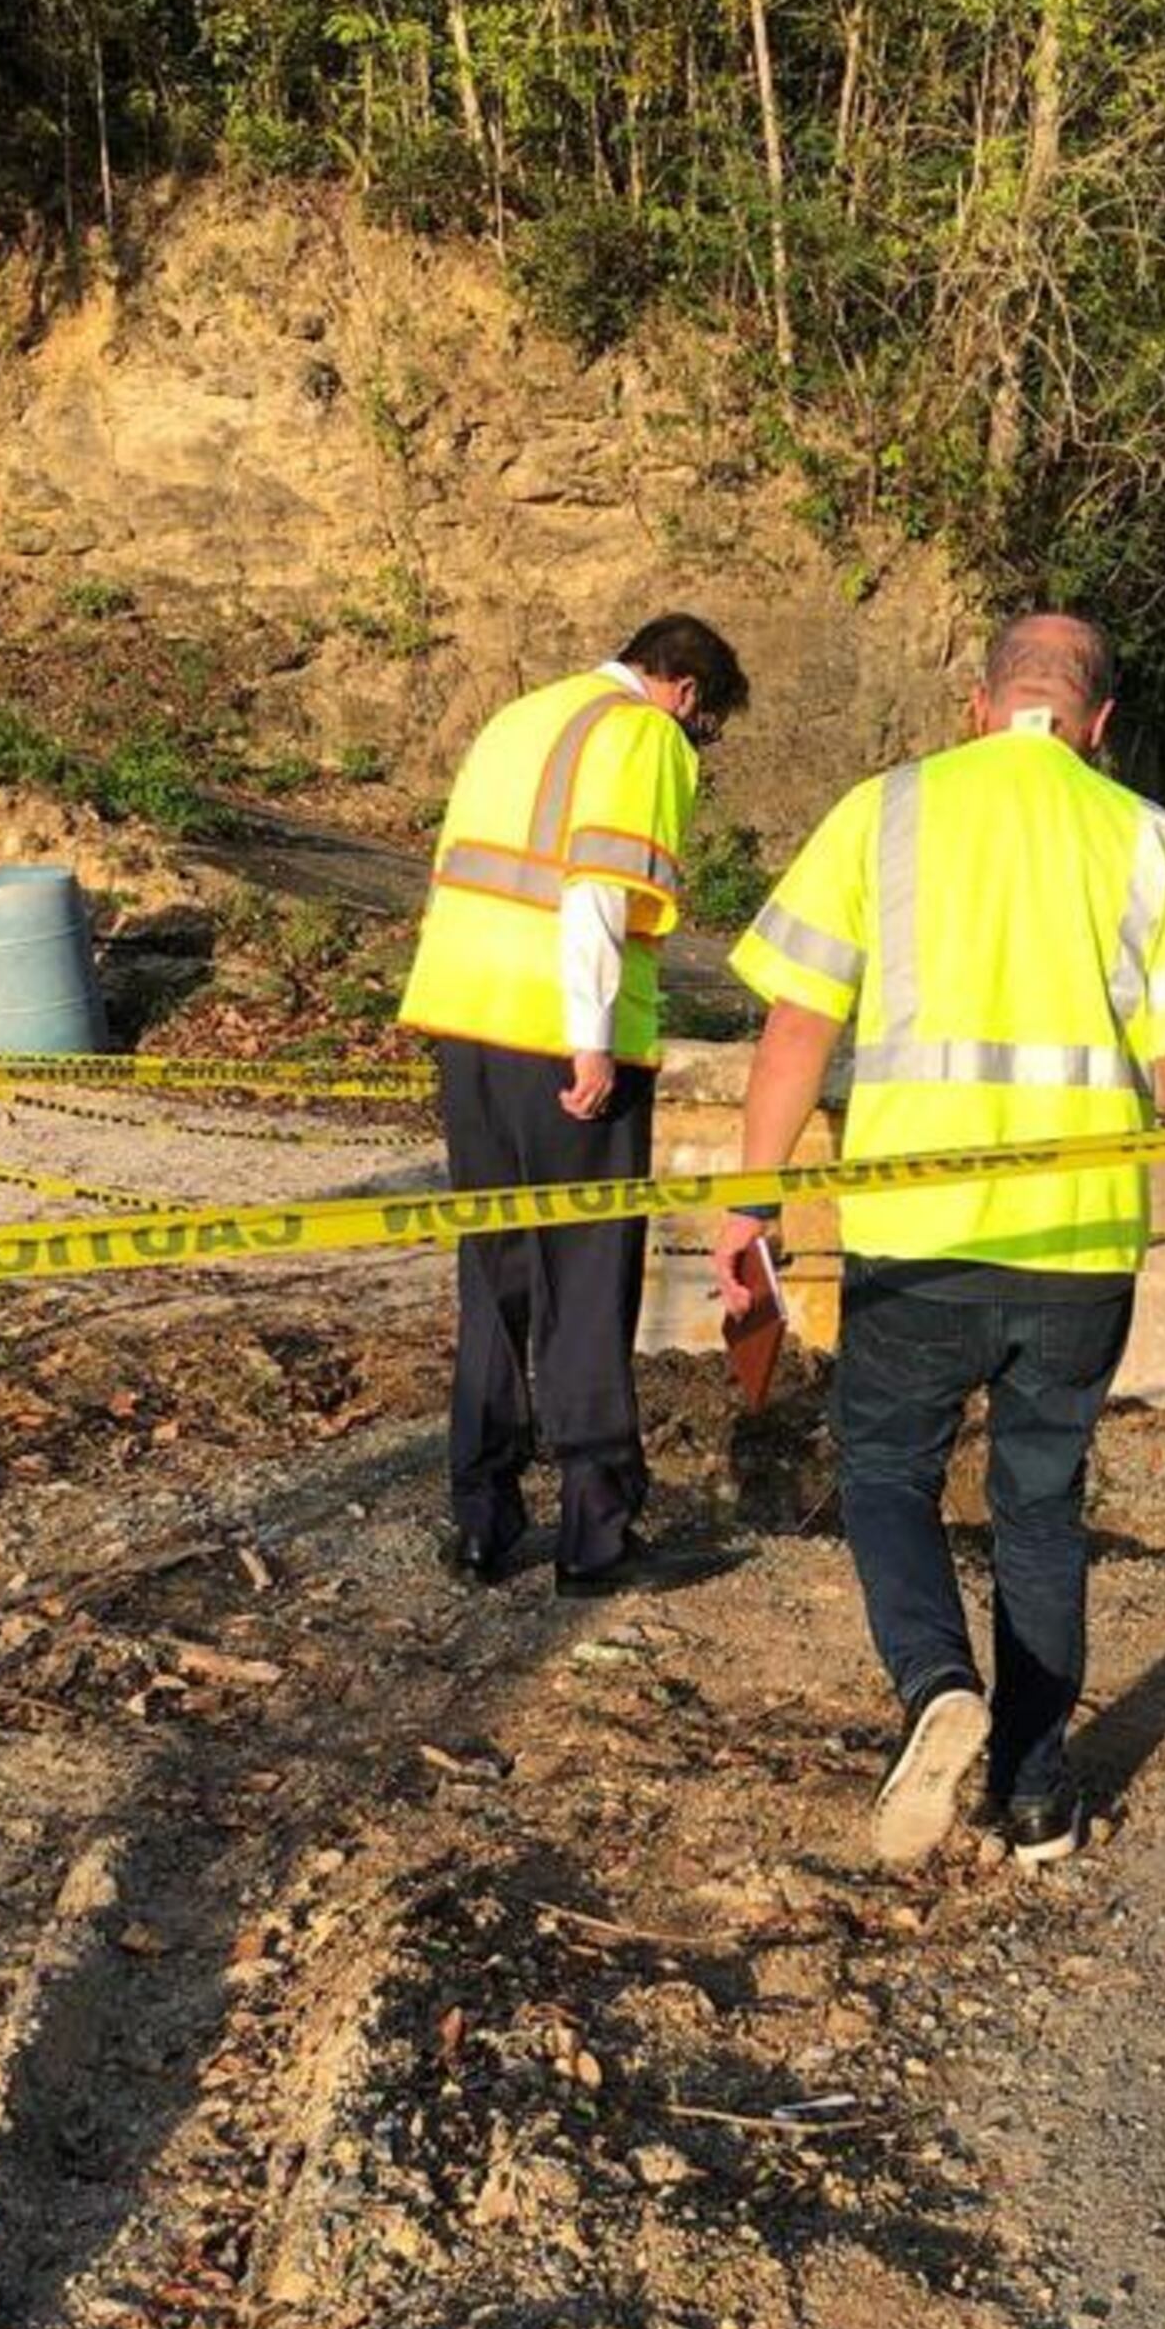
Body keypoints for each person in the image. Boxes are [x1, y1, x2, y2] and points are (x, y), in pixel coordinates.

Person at [714, 611, 1165, 1867]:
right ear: (1096, 725)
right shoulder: (1152, 841)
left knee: (885, 1474)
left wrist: (749, 1204)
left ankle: (934, 1684)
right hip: (1080, 1246)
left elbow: (793, 1037)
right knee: (1039, 1508)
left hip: (915, 1238)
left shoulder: (883, 812)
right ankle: (1036, 1797)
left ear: (977, 705)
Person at [401, 612, 750, 1594]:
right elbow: (598, 891)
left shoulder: (521, 716)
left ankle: (482, 1516)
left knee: (495, 1268)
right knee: (587, 1278)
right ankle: (596, 1532)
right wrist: (590, 1039)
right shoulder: (639, 734)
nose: (696, 748)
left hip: (468, 1025)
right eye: (704, 727)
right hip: (562, 1036)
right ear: (683, 689)